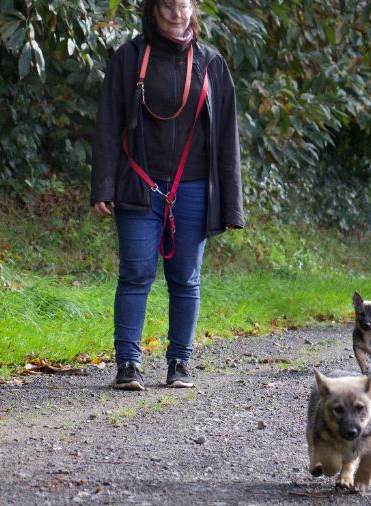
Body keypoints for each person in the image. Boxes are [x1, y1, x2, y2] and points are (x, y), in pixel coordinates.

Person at [91, 0, 245, 390]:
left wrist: (232, 204)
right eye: (167, 5)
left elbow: (227, 137)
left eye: (184, 4)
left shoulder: (211, 63)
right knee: (135, 275)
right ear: (153, 9)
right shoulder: (129, 58)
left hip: (193, 189)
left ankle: (180, 363)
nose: (177, 13)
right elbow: (108, 124)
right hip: (139, 183)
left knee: (186, 279)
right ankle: (128, 365)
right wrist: (103, 185)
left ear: (194, 8)